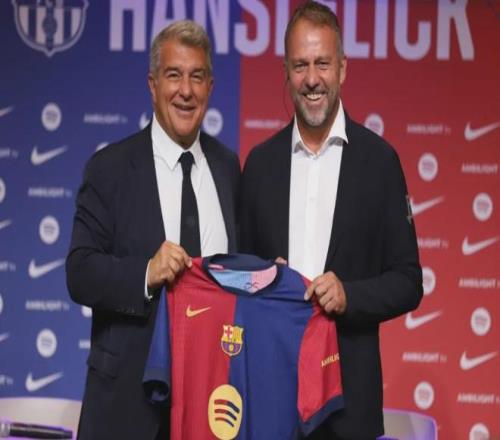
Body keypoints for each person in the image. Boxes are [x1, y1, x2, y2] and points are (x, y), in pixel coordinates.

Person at [239, 2, 422, 439]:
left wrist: (348, 295)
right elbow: (238, 277)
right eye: (300, 65)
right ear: (286, 72)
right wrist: (262, 281)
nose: (312, 79)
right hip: (272, 397)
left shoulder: (380, 162)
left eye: (322, 63)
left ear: (342, 68)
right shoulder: (260, 165)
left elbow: (408, 281)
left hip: (349, 407)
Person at [66, 20, 240, 440]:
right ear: (152, 83)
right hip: (126, 408)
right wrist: (146, 272)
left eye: (197, 76)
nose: (186, 90)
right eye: (174, 75)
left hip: (209, 404)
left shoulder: (229, 168)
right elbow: (80, 272)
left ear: (211, 87)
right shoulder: (109, 169)